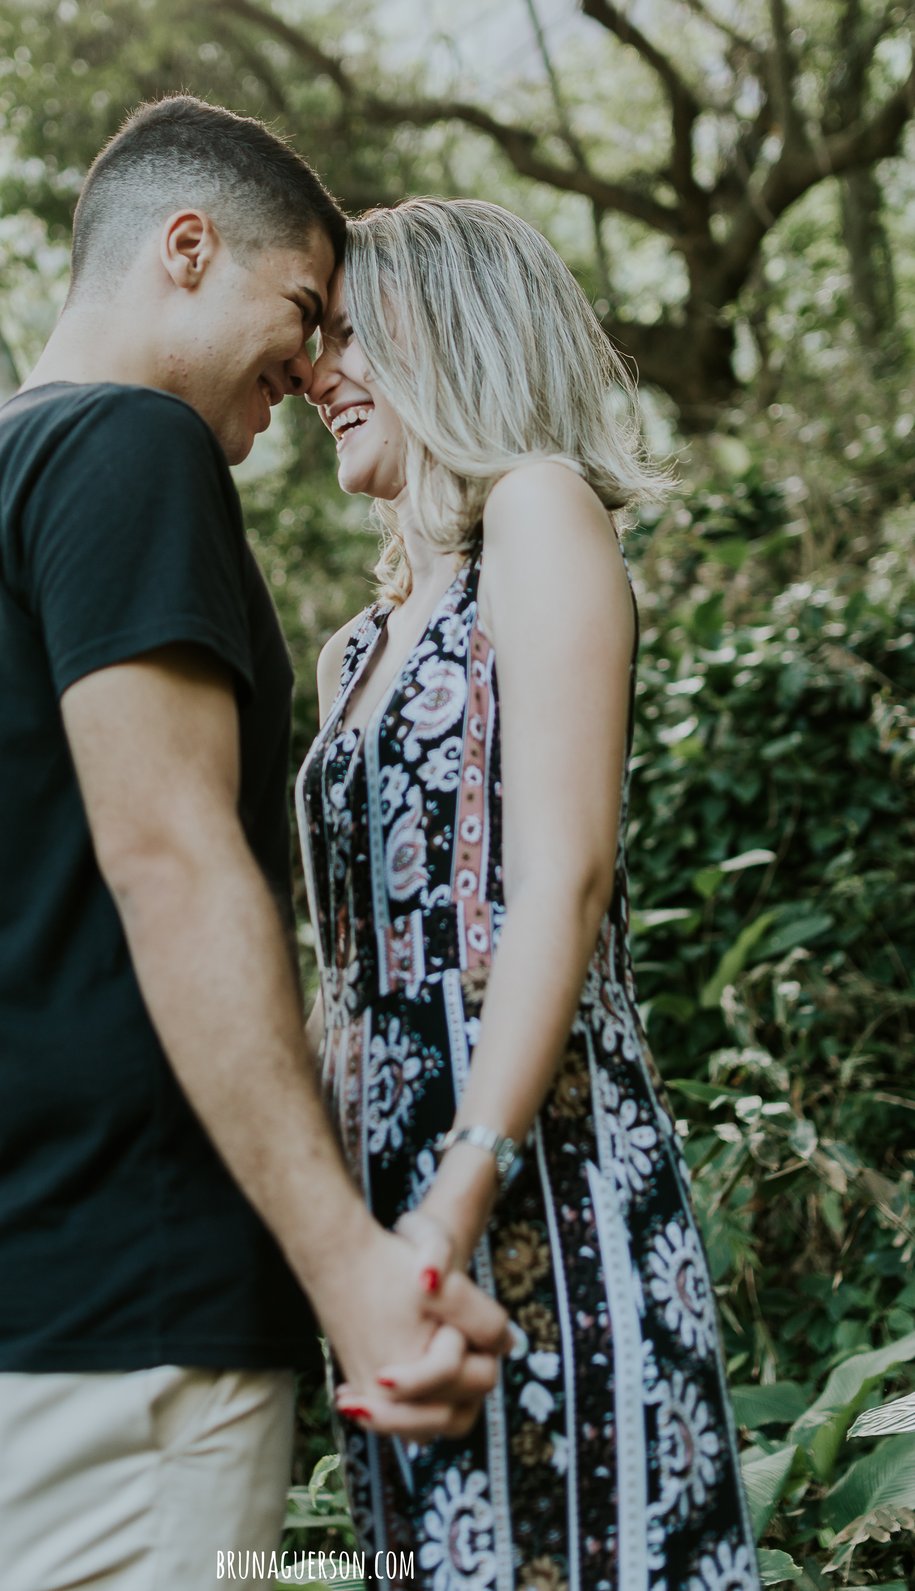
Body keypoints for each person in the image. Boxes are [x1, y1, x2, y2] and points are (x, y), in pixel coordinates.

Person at [0, 102, 509, 1591]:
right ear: (188, 249)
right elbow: (173, 860)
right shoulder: (128, 446)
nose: (318, 363)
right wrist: (353, 1272)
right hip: (109, 1319)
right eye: (305, 310)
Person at [299, 199, 759, 1591]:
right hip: (386, 1214)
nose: (324, 367)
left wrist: (462, 1188)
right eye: (315, 336)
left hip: (539, 1185)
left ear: (454, 329)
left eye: (356, 329)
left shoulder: (543, 517)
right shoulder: (351, 650)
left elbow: (564, 880)